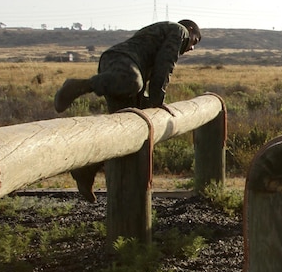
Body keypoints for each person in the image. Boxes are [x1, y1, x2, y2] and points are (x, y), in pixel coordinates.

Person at [54, 19, 202, 201]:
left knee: (123, 132)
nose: (191, 48)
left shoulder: (165, 34)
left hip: (121, 67)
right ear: (191, 29)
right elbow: (164, 67)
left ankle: (86, 169)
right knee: (133, 82)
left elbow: (152, 67)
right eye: (195, 41)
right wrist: (157, 101)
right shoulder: (179, 31)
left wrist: (148, 102)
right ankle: (81, 86)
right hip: (122, 63)